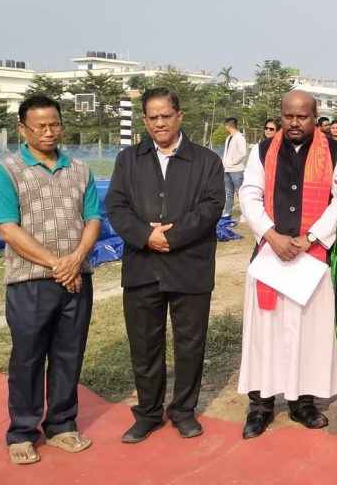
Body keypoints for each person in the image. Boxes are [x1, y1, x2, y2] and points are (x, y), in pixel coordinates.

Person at [105, 87, 225, 443]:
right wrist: (146, 236)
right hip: (143, 266)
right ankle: (148, 412)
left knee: (190, 344)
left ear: (179, 116)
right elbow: (116, 207)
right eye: (153, 117)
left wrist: (171, 236)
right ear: (144, 121)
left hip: (190, 265)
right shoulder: (129, 160)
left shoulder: (206, 161)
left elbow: (211, 206)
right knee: (145, 345)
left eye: (166, 116)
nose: (160, 123)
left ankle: (183, 410)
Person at [0, 95, 101, 464]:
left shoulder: (80, 170)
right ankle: (22, 431)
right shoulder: (7, 171)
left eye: (54, 124)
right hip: (29, 281)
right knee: (28, 357)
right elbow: (7, 229)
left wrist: (76, 260)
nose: (49, 132)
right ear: (23, 129)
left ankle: (61, 424)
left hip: (76, 279)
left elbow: (93, 219)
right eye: (40, 126)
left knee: (69, 354)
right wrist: (58, 264)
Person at [237, 90, 337, 438]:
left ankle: (303, 403)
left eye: (302, 117)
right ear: (281, 115)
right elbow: (249, 194)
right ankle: (261, 406)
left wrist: (311, 237)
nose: (294, 123)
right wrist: (271, 235)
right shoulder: (262, 150)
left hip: (312, 256)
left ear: (315, 117)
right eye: (288, 116)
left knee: (309, 332)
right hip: (270, 254)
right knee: (265, 334)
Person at [222, 117, 248, 219]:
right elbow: (226, 153)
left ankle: (245, 214)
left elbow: (243, 153)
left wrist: (232, 162)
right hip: (227, 170)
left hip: (237, 170)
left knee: (240, 193)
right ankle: (228, 213)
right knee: (229, 193)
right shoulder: (228, 138)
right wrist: (225, 164)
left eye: (225, 125)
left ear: (229, 126)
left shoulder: (240, 137)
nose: (225, 127)